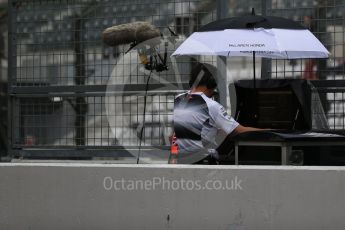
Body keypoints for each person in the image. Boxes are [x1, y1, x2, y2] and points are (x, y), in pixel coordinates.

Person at [171, 62, 263, 164]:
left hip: (178, 159)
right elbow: (239, 130)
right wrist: (269, 131)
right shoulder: (211, 105)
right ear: (211, 83)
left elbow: (185, 130)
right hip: (202, 161)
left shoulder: (178, 99)